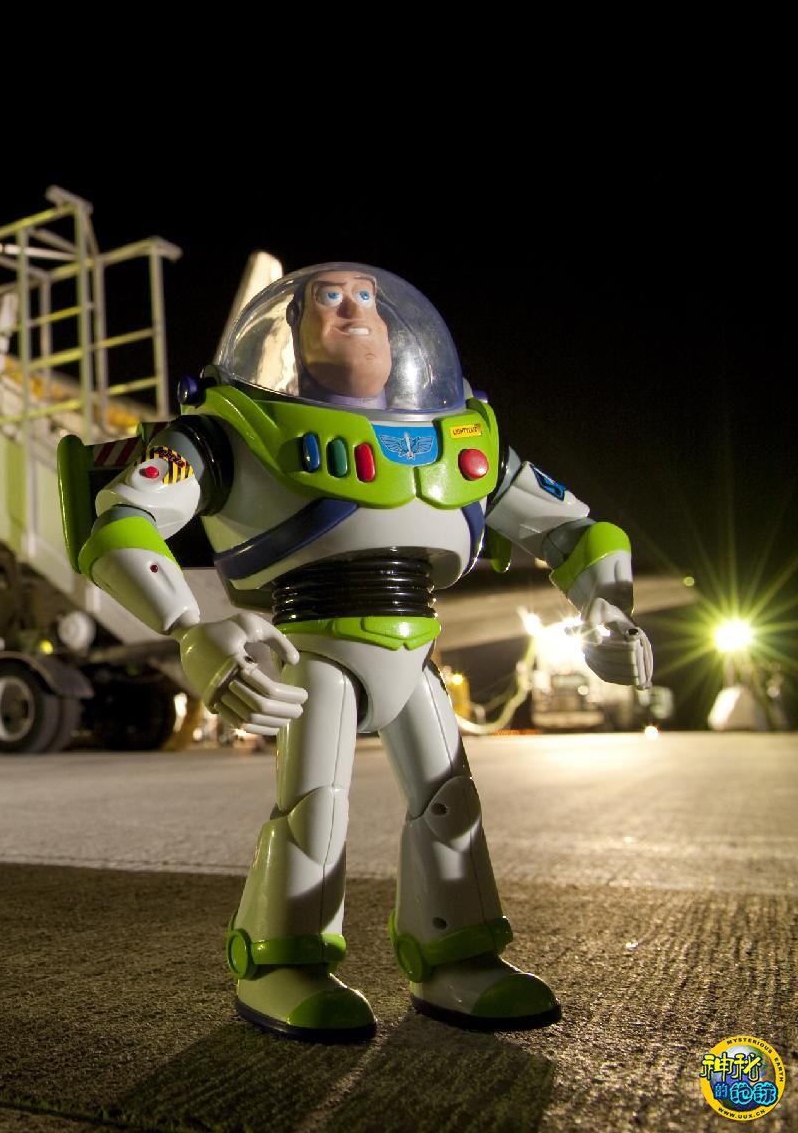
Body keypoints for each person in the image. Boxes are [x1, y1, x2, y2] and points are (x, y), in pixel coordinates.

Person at [69, 263, 653, 1040]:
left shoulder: (459, 433)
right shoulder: (230, 428)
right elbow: (122, 519)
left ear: (393, 327)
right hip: (316, 650)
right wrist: (187, 626)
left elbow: (576, 531)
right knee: (315, 807)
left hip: (416, 652)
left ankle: (457, 956)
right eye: (330, 298)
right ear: (294, 334)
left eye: (367, 299)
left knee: (449, 801)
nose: (353, 310)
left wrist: (608, 610)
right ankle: (281, 963)